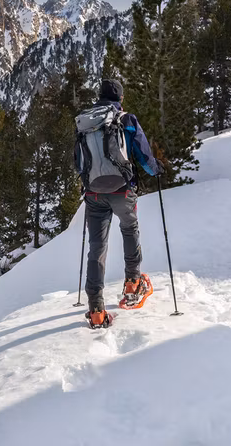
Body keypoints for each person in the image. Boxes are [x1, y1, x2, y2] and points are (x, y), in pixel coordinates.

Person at [74, 78, 160, 323]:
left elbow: (77, 161)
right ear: (120, 99)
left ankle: (96, 309)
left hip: (93, 194)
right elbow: (143, 154)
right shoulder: (126, 119)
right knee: (129, 228)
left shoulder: (84, 122)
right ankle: (133, 283)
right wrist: (156, 170)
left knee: (97, 247)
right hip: (122, 190)